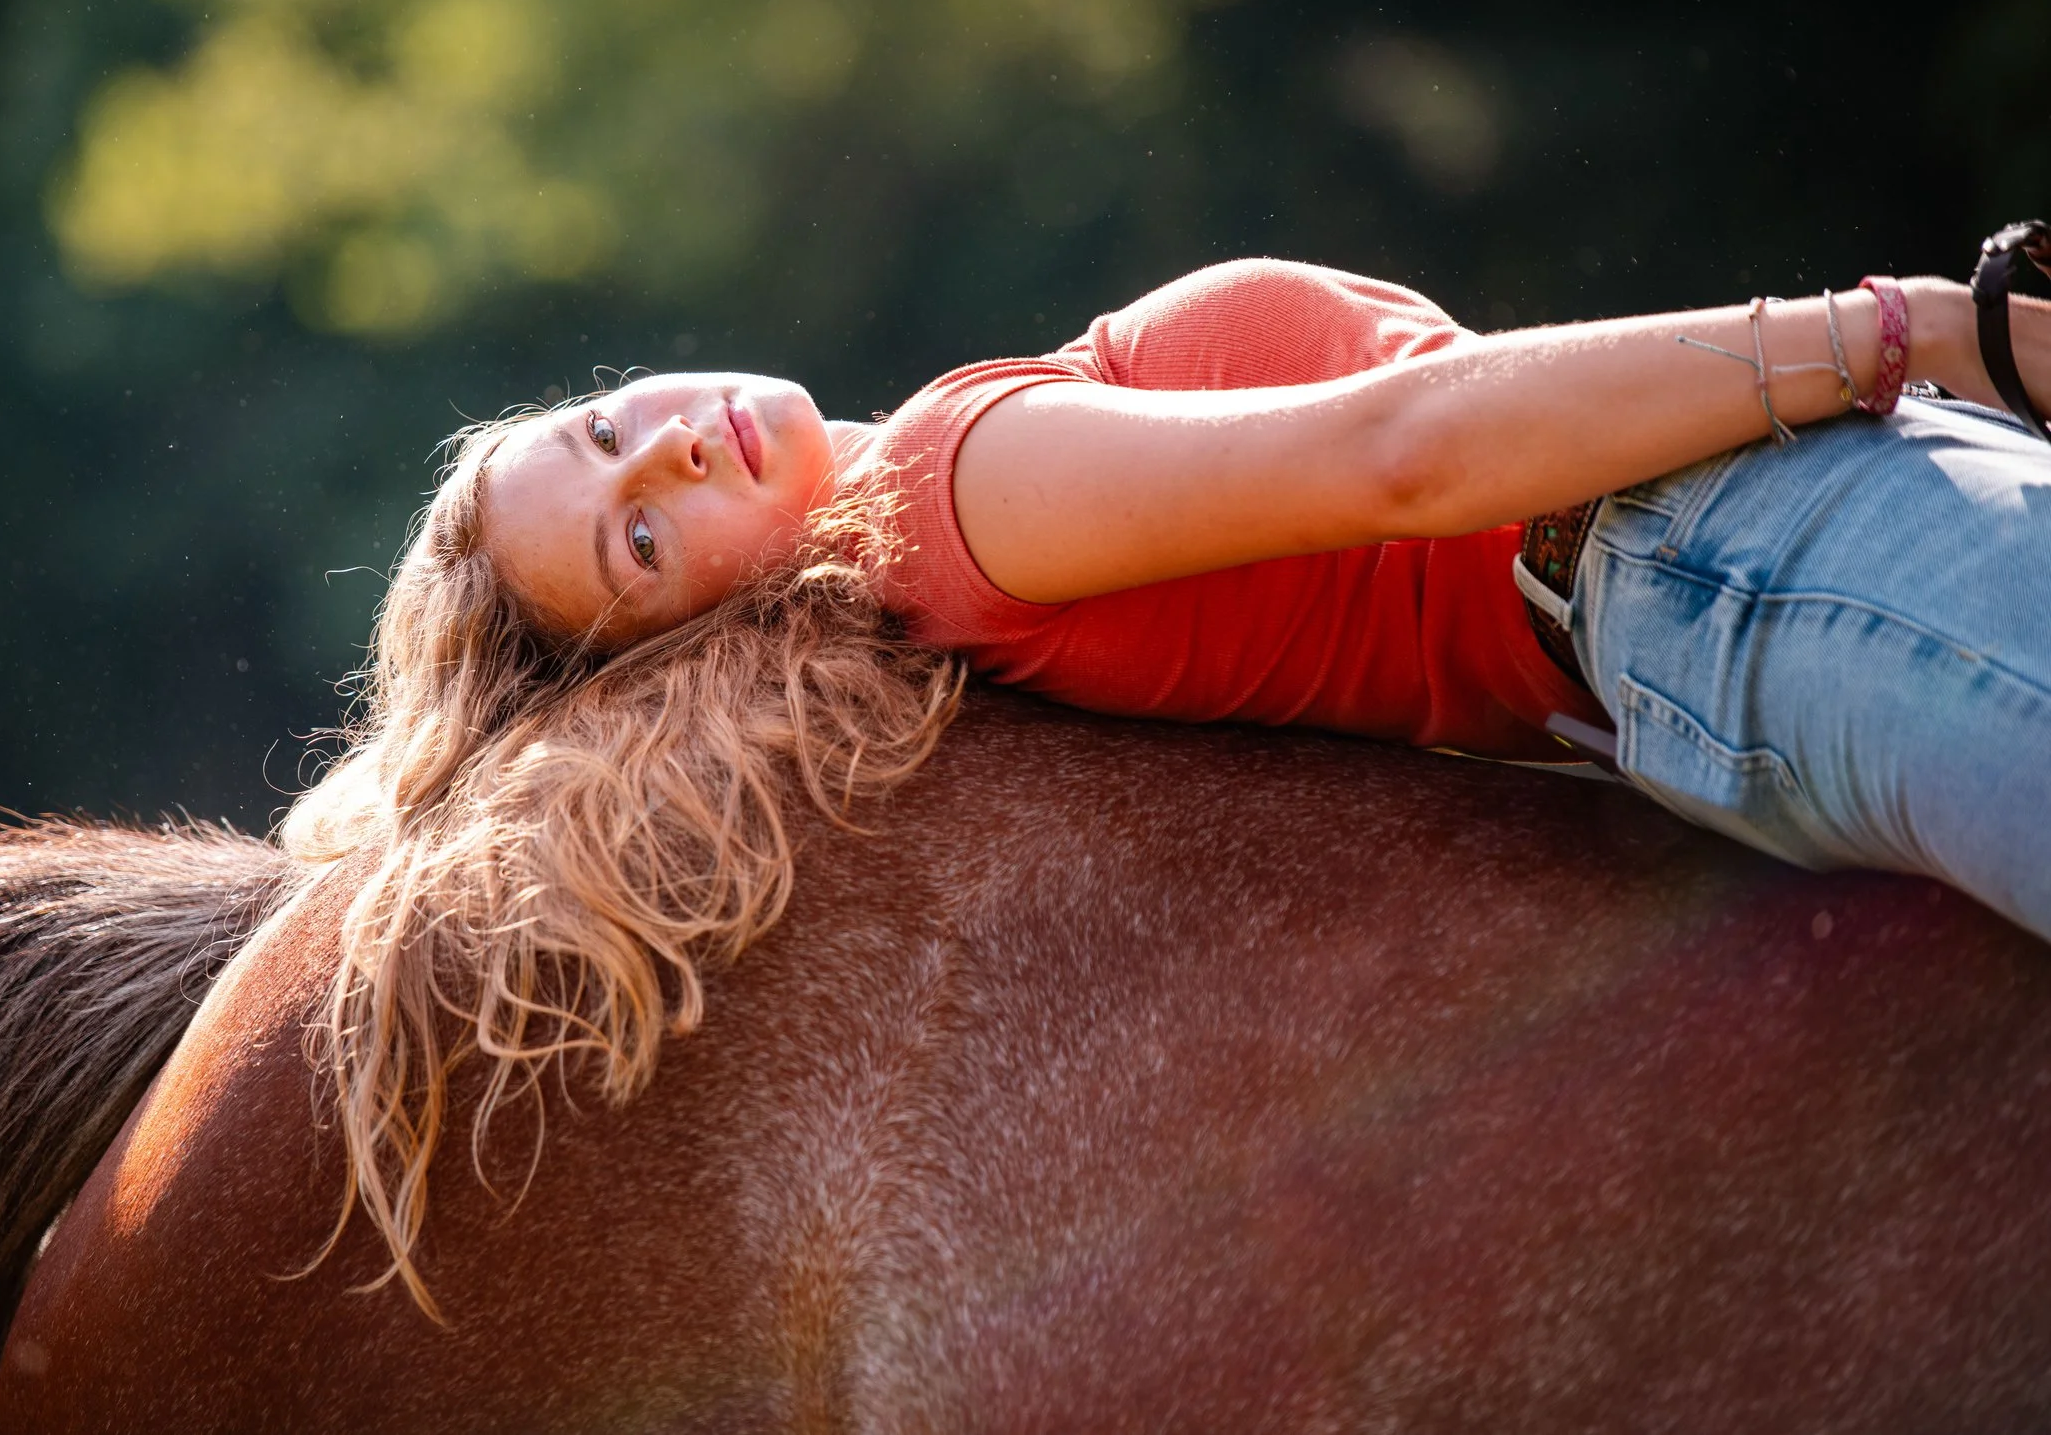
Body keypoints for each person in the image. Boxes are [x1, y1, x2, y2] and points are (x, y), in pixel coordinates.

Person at [281, 224, 2051, 1308]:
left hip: (1748, 583)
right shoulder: (951, 497)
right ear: (679, 637)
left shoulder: (954, 561)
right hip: (1737, 566)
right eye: (642, 541)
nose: (666, 448)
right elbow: (1409, 453)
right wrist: (1914, 325)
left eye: (608, 429)